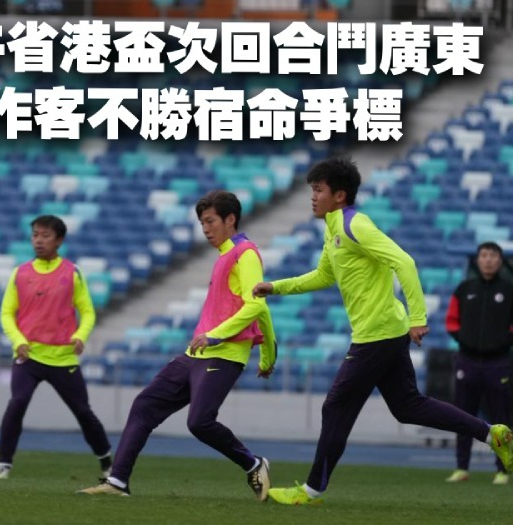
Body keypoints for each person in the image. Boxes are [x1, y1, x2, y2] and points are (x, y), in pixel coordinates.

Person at [252, 157, 513, 505]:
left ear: (339, 195)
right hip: (385, 332)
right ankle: (492, 434)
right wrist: (276, 287)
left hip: (376, 336)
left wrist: (418, 317)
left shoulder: (355, 225)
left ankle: (311, 490)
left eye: (319, 190)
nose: (312, 197)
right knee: (408, 407)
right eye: (312, 190)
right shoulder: (333, 230)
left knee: (335, 407)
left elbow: (404, 262)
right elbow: (324, 275)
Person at [79, 191, 277, 500]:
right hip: (196, 354)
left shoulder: (246, 254)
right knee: (145, 405)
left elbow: (257, 306)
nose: (205, 229)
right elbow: (257, 309)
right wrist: (262, 354)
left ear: (230, 219)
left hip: (225, 354)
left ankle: (253, 464)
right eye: (202, 223)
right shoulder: (225, 254)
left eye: (210, 221)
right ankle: (117, 481)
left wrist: (237, 343)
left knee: (199, 422)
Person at [0, 214, 112, 480]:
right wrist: (18, 341)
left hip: (62, 358)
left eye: (45, 236)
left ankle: (106, 461)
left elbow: (87, 311)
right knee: (17, 403)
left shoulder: (72, 272)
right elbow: (6, 313)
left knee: (82, 411)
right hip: (29, 356)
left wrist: (81, 335)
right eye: (35, 235)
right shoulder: (20, 273)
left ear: (59, 240)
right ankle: (3, 464)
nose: (38, 240)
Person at [444, 241, 513, 484]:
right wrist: (465, 339)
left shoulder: (509, 290)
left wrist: (503, 341)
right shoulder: (464, 289)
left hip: (498, 363)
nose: (488, 260)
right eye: (484, 255)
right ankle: (461, 468)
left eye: (493, 255)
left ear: (500, 260)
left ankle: (502, 470)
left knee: (501, 417)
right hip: (467, 361)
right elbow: (451, 321)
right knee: (463, 415)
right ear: (478, 260)